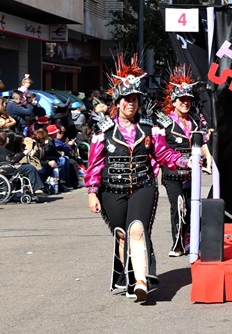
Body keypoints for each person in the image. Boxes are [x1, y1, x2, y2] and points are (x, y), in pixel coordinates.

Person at [84, 54, 187, 303]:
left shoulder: (149, 128)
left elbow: (163, 153)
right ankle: (126, 277)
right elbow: (95, 164)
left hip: (143, 186)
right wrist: (91, 191)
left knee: (137, 230)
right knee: (122, 234)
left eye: (135, 100)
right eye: (127, 100)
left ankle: (140, 281)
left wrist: (185, 161)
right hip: (111, 190)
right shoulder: (104, 131)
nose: (131, 104)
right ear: (118, 102)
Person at [156, 65, 205, 257]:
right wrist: (183, 161)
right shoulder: (164, 122)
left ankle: (191, 240)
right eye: (182, 100)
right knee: (178, 207)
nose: (185, 103)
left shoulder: (195, 121)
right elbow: (161, 149)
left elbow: (204, 143)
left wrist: (206, 158)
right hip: (172, 173)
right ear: (174, 102)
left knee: (193, 208)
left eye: (188, 100)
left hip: (193, 174)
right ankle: (177, 243)